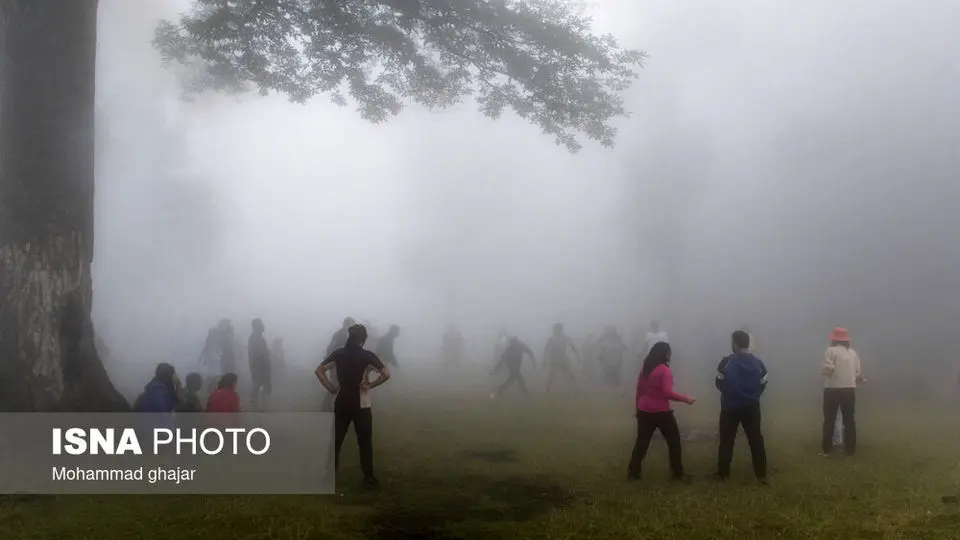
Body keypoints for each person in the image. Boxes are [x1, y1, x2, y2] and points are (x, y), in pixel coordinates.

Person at [315, 324, 392, 489]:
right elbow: (386, 374)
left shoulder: (339, 354)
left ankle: (329, 477)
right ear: (363, 339)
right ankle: (369, 478)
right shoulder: (368, 356)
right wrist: (371, 385)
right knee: (364, 442)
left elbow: (319, 370)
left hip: (341, 401)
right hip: (362, 405)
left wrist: (331, 388)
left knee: (336, 441)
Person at [627, 342, 694, 482]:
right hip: (661, 412)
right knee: (674, 442)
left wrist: (637, 408)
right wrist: (685, 399)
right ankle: (678, 474)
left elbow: (639, 389)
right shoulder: (664, 370)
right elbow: (667, 392)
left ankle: (633, 473)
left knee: (642, 442)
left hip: (644, 410)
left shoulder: (646, 368)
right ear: (666, 354)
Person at [715, 330, 769, 483]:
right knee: (756, 440)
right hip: (752, 407)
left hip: (730, 407)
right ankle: (761, 475)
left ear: (735, 344)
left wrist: (729, 394)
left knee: (727, 440)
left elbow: (719, 382)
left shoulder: (727, 361)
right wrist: (753, 396)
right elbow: (764, 382)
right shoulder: (758, 363)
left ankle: (723, 474)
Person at [821, 327, 865, 456]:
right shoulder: (852, 353)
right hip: (849, 390)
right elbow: (857, 372)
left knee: (829, 419)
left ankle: (827, 449)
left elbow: (828, 369)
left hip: (832, 389)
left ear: (834, 339)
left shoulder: (830, 351)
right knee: (849, 420)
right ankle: (850, 449)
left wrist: (824, 372)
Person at [321, 317, 355, 412]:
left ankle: (328, 407)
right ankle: (326, 407)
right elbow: (341, 349)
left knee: (337, 383)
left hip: (334, 361)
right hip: (336, 362)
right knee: (336, 384)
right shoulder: (343, 334)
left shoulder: (339, 333)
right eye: (351, 324)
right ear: (347, 324)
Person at [543, 323, 580, 393]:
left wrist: (577, 354)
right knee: (552, 378)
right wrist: (544, 359)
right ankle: (547, 389)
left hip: (562, 359)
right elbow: (546, 349)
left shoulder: (565, 338)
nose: (555, 331)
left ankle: (573, 390)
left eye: (557, 329)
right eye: (555, 329)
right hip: (553, 360)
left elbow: (573, 347)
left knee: (571, 376)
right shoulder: (552, 339)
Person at [248, 318, 272, 411]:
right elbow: (259, 353)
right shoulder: (255, 338)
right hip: (259, 366)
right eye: (261, 325)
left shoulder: (256, 337)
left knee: (259, 387)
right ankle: (259, 408)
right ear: (257, 327)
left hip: (258, 366)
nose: (263, 327)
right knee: (260, 386)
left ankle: (259, 407)